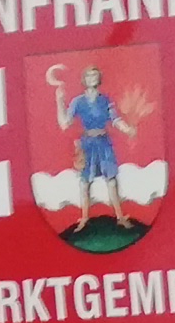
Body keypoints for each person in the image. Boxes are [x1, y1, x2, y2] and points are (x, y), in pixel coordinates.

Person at [59, 63, 139, 224]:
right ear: (84, 79)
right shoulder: (78, 102)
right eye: (89, 75)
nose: (92, 78)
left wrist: (127, 129)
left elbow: (115, 119)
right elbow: (64, 123)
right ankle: (84, 218)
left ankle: (120, 217)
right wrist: (59, 101)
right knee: (85, 181)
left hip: (103, 143)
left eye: (94, 75)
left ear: (99, 78)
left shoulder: (105, 100)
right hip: (88, 144)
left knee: (111, 179)